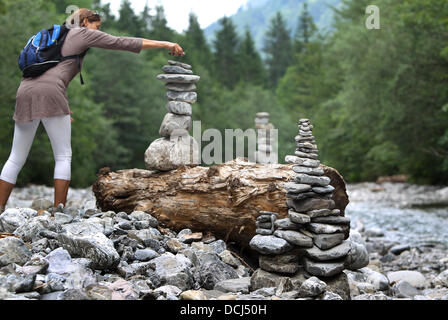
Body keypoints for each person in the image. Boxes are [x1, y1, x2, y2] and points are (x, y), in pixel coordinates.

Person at [0, 8, 185, 214]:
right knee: (63, 156)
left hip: (25, 90)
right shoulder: (81, 33)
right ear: (86, 21)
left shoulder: (56, 37)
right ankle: (58, 212)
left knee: (16, 156)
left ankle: (0, 207)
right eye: (97, 26)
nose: (98, 31)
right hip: (51, 94)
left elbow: (53, 74)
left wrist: (64, 109)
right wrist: (165, 44)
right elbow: (120, 42)